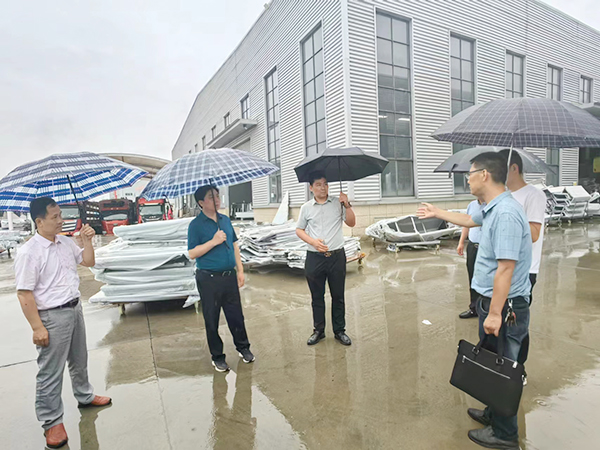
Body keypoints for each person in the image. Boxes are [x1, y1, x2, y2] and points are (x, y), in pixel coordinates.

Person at [418, 152, 531, 450]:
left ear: (484, 175)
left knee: (504, 368)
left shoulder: (505, 214)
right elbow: (469, 219)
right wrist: (438, 212)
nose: (467, 179)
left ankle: (505, 435)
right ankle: (494, 413)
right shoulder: (492, 207)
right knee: (494, 362)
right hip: (492, 302)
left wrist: (494, 313)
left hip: (504, 308)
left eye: (469, 174)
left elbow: (505, 268)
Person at [14, 197, 111, 449]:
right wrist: (37, 327)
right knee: (50, 371)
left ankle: (85, 395)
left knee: (79, 359)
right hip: (51, 316)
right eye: (55, 217)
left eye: (61, 215)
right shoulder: (29, 252)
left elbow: (88, 262)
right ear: (39, 221)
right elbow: (24, 293)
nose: (61, 220)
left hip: (74, 308)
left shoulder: (65, 242)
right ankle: (52, 421)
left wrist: (87, 241)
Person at [188, 185, 254, 372]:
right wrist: (213, 241)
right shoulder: (196, 225)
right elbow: (192, 253)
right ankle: (217, 357)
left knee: (236, 316)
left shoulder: (225, 220)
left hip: (229, 276)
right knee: (212, 318)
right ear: (201, 203)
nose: (217, 200)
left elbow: (234, 245)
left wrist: (240, 270)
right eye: (211, 197)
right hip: (208, 279)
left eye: (217, 196)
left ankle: (243, 348)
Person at [500, 149, 547, 383]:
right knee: (502, 324)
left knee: (517, 324)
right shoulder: (504, 196)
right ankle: (503, 367)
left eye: (500, 168)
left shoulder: (533, 195)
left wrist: (509, 215)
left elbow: (535, 234)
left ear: (514, 168)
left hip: (525, 271)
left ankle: (519, 370)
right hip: (504, 267)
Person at [296, 171, 356, 346]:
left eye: (325, 184)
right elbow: (299, 230)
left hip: (336, 257)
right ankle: (319, 330)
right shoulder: (306, 208)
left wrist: (347, 205)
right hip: (315, 258)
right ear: (311, 188)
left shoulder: (338, 203)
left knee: (338, 295)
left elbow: (351, 223)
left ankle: (339, 331)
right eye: (318, 184)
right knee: (317, 296)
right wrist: (313, 242)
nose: (323, 187)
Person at [457, 199, 484, 319]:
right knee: (472, 277)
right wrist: (461, 242)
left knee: (487, 279)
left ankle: (487, 309)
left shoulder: (492, 205)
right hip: (473, 245)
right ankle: (474, 308)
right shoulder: (472, 205)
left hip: (486, 247)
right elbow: (466, 224)